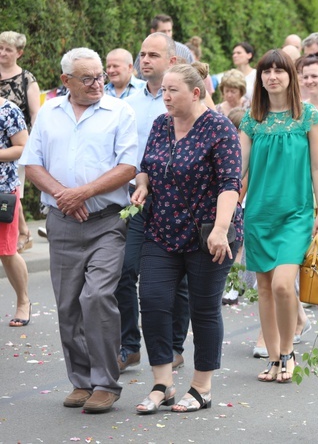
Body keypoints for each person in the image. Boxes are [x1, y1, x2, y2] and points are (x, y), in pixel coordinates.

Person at [20, 47, 138, 414]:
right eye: (87, 78)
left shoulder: (120, 111)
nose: (97, 83)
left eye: (100, 75)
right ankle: (81, 381)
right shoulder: (50, 113)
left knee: (97, 297)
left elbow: (128, 166)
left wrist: (83, 192)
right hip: (62, 222)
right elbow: (32, 162)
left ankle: (106, 382)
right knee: (68, 304)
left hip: (106, 222)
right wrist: (62, 195)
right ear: (65, 81)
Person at [132, 63, 242, 414]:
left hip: (208, 233)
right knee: (152, 300)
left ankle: (201, 387)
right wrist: (143, 184)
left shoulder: (219, 129)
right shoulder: (160, 124)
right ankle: (162, 383)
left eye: (172, 90)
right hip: (162, 228)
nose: (165, 96)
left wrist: (221, 230)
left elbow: (230, 185)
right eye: (163, 89)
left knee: (204, 309)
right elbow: (147, 165)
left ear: (195, 93)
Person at [239, 49, 318, 383]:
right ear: (260, 78)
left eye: (279, 70)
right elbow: (240, 171)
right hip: (259, 215)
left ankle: (288, 353)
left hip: (297, 213)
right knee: (263, 288)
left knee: (281, 285)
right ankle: (274, 359)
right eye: (266, 71)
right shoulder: (251, 120)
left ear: (291, 76)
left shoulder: (307, 116)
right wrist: (230, 209)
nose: (272, 76)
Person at [117, 32, 190, 373]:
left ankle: (174, 347)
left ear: (172, 61)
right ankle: (129, 345)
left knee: (177, 279)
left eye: (152, 55)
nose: (143, 60)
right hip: (137, 198)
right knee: (124, 270)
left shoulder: (188, 100)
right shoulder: (126, 101)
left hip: (178, 203)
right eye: (141, 54)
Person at [0, 31, 41, 254]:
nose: (2, 53)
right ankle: (23, 231)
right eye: (0, 48)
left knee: (13, 191)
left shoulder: (26, 79)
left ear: (19, 53)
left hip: (18, 142)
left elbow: (35, 114)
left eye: (8, 49)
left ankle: (22, 232)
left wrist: (34, 144)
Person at [0, 96, 30, 327]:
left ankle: (23, 301)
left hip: (2, 190)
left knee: (7, 252)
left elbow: (22, 147)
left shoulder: (8, 110)